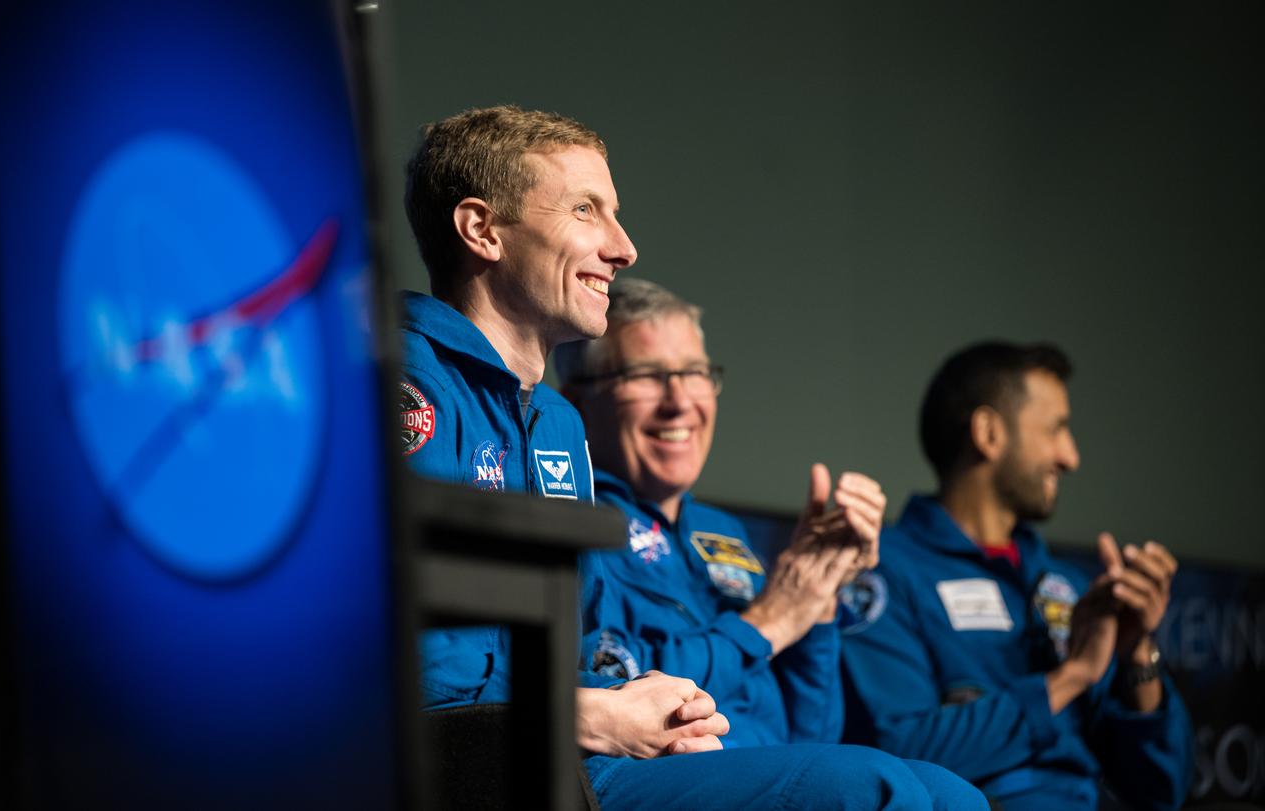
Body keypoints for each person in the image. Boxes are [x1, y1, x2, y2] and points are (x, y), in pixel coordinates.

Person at [401, 105, 981, 809]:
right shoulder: (404, 381)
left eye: (615, 215)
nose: (624, 248)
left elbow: (571, 653)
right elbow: (394, 655)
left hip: (565, 757)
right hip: (478, 766)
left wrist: (799, 611)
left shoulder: (554, 421)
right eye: (586, 210)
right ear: (482, 230)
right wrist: (597, 709)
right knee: (876, 788)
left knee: (949, 794)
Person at [555, 277, 988, 809]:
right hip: (658, 777)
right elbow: (625, 697)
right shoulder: (573, 517)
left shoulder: (722, 534)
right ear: (576, 400)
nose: (680, 402)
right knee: (875, 784)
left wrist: (816, 600)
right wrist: (765, 623)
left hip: (771, 773)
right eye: (646, 375)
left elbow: (811, 733)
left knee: (952, 794)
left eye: (695, 373)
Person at [838, 341, 1195, 810]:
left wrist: (1136, 653)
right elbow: (896, 761)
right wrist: (1069, 678)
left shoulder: (1066, 586)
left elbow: (1162, 791)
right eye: (1056, 429)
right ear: (988, 433)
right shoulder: (883, 573)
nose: (1071, 457)